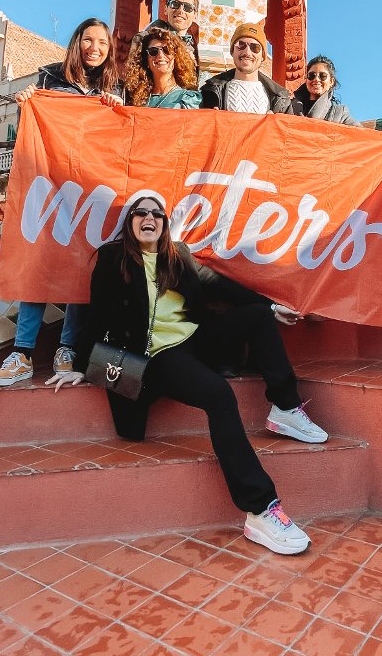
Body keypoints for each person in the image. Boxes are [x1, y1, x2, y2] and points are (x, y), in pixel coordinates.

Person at [50, 191, 328, 554]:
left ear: (164, 224)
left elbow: (221, 286)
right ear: (130, 222)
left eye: (157, 214)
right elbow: (96, 317)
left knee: (258, 316)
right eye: (140, 213)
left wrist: (271, 306)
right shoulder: (112, 257)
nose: (149, 218)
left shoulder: (176, 255)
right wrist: (83, 367)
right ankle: (260, 510)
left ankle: (285, 408)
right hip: (153, 357)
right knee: (218, 396)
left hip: (194, 342)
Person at [0, 18, 124, 388]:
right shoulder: (47, 78)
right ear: (77, 42)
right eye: (88, 40)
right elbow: (34, 126)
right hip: (50, 185)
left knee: (79, 264)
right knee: (39, 260)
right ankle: (23, 352)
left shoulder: (115, 86)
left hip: (91, 190)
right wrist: (27, 104)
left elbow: (122, 134)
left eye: (103, 43)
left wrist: (116, 108)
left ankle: (66, 349)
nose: (95, 48)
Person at [200, 23, 300, 115]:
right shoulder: (209, 93)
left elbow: (288, 133)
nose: (247, 52)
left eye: (255, 48)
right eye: (241, 45)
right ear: (232, 51)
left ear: (262, 56)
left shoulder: (280, 99)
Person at [124, 26, 201, 109]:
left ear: (176, 57)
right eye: (153, 51)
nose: (160, 55)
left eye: (167, 50)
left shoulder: (188, 99)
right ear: (146, 61)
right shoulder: (136, 100)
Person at [142, 0, 200, 69]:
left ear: (195, 15)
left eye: (188, 7)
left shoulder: (194, 49)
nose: (180, 10)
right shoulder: (147, 39)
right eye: (175, 4)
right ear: (166, 9)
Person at [292, 55, 361, 126]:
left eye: (322, 76)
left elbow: (361, 133)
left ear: (331, 81)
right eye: (311, 75)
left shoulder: (339, 113)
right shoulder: (291, 106)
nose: (316, 79)